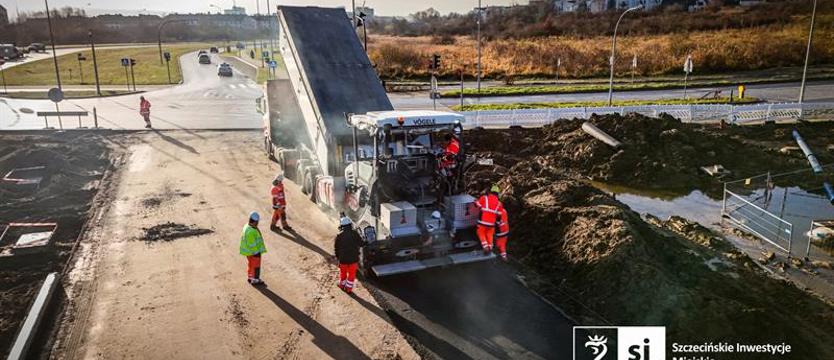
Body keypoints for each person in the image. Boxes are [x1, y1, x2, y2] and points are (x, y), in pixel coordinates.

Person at [334, 215, 365, 294]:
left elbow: (336, 248)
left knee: (343, 273)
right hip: (353, 259)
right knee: (351, 275)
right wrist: (367, 242)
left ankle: (342, 285)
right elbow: (361, 244)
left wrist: (338, 258)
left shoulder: (339, 236)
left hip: (343, 260)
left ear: (342, 226)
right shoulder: (355, 234)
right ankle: (348, 289)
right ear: (350, 225)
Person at [239, 212, 267, 285]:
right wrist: (256, 253)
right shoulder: (251, 232)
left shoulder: (247, 226)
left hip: (249, 252)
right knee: (256, 266)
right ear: (255, 222)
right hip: (253, 252)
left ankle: (250, 277)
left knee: (251, 264)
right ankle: (255, 279)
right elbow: (252, 244)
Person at [475, 184, 504, 255]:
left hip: (483, 221)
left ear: (490, 192)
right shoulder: (499, 204)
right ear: (497, 194)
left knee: (480, 232)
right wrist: (498, 222)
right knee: (489, 234)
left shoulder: (484, 198)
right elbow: (499, 215)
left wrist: (475, 201)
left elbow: (477, 205)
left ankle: (485, 247)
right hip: (492, 224)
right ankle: (490, 247)